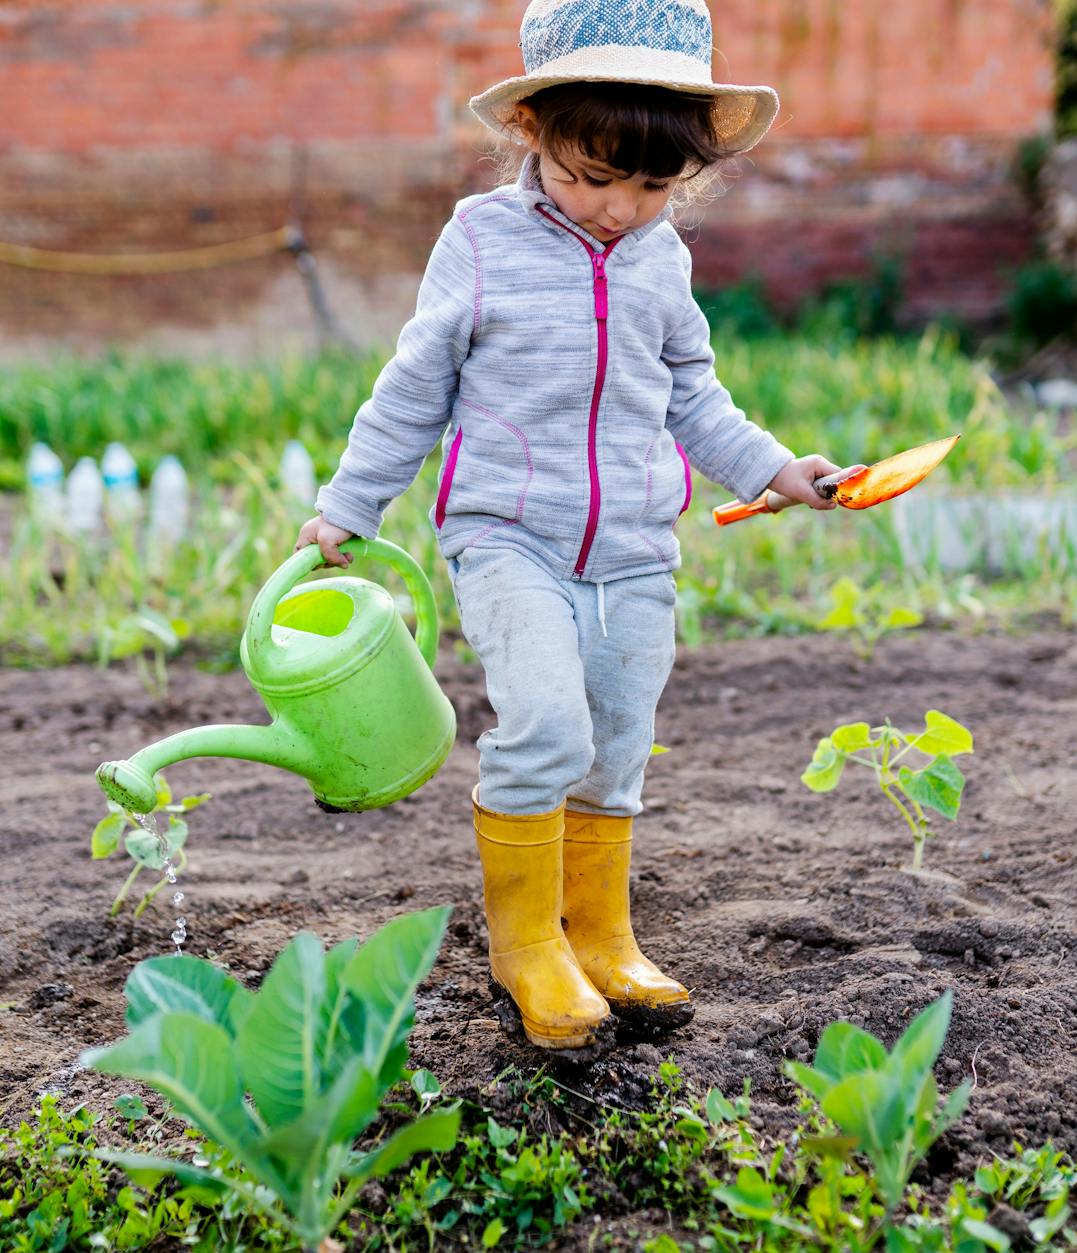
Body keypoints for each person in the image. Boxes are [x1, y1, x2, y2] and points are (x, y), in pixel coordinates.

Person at [298, 0, 845, 1052]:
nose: (616, 210)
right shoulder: (480, 241)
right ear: (533, 131)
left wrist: (775, 470)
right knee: (544, 724)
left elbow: (693, 398)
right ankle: (525, 947)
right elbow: (414, 386)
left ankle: (598, 935)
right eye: (590, 176)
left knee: (615, 744)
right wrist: (348, 504)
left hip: (635, 544)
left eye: (649, 187)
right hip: (506, 531)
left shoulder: (660, 258)